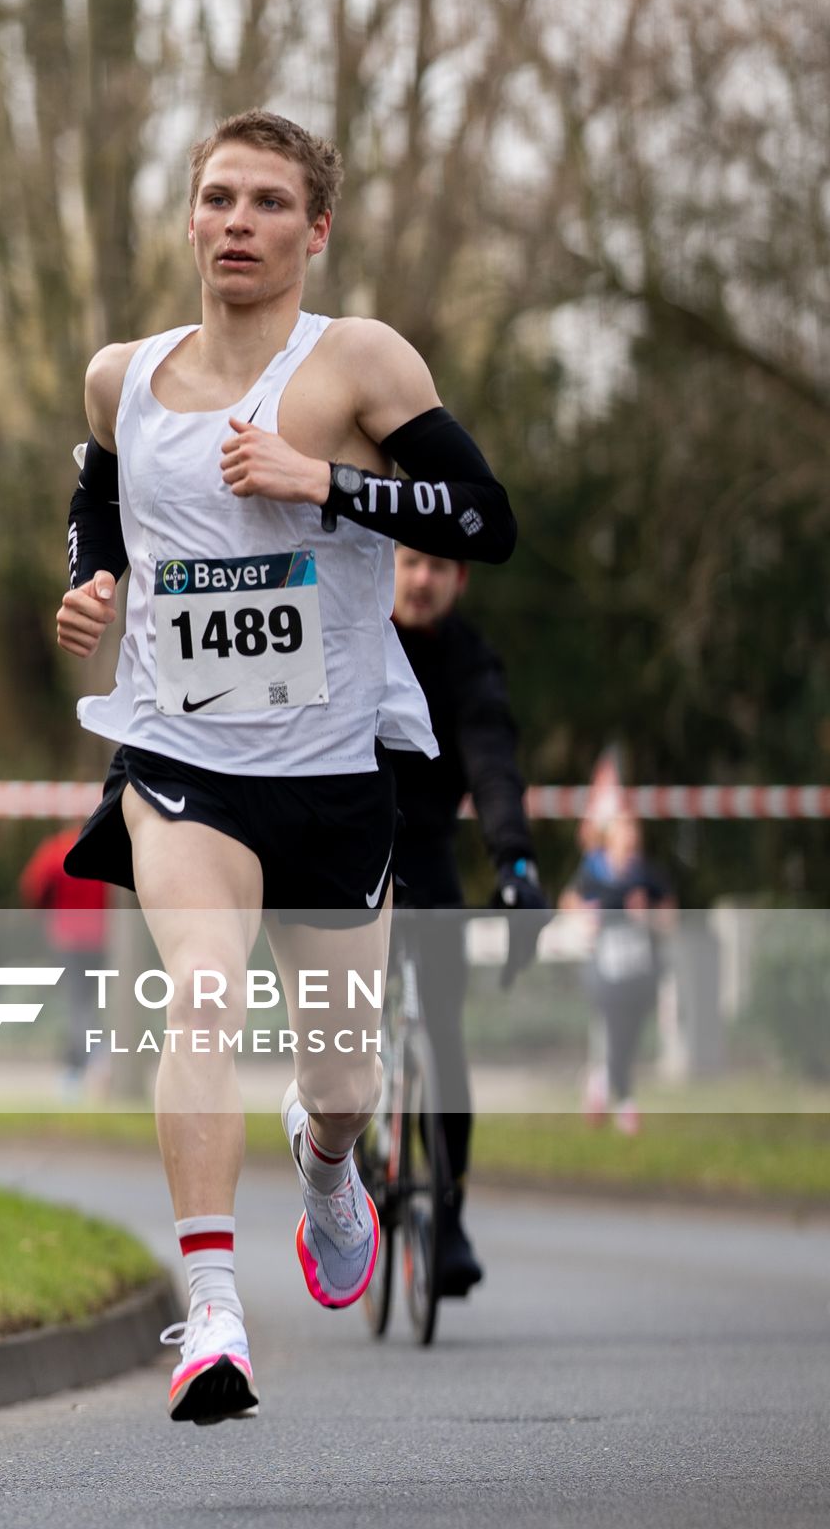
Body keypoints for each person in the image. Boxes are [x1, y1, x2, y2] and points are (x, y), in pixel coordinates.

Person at [55, 108, 517, 1423]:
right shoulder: (122, 376)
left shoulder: (358, 365)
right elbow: (99, 491)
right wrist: (91, 582)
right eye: (217, 199)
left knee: (344, 1077)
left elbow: (490, 517)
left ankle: (328, 1168)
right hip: (179, 755)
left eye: (266, 203)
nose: (237, 223)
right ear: (190, 218)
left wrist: (326, 483)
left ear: (314, 230)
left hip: (331, 772)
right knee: (200, 996)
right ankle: (211, 1315)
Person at [388, 545, 548, 1298]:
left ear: (461, 578)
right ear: (386, 561)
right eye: (411, 561)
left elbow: (492, 764)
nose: (422, 579)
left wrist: (515, 864)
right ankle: (341, 1165)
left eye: (439, 568)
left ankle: (448, 1220)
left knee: (443, 1039)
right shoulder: (348, 631)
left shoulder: (470, 661)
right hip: (345, 850)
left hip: (427, 853)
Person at [561, 810, 675, 1135]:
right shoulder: (593, 873)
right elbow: (569, 901)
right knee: (614, 1032)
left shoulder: (648, 875)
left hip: (640, 973)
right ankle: (626, 1104)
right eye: (623, 830)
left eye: (632, 830)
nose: (629, 837)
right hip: (606, 971)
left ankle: (600, 1081)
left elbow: (670, 918)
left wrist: (648, 916)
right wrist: (585, 915)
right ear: (611, 837)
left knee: (629, 1037)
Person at [19, 826, 110, 1094]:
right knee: (89, 1003)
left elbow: (33, 887)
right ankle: (87, 1061)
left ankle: (82, 1064)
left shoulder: (57, 850)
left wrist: (46, 915)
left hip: (69, 937)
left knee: (77, 1005)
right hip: (100, 938)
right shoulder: (106, 849)